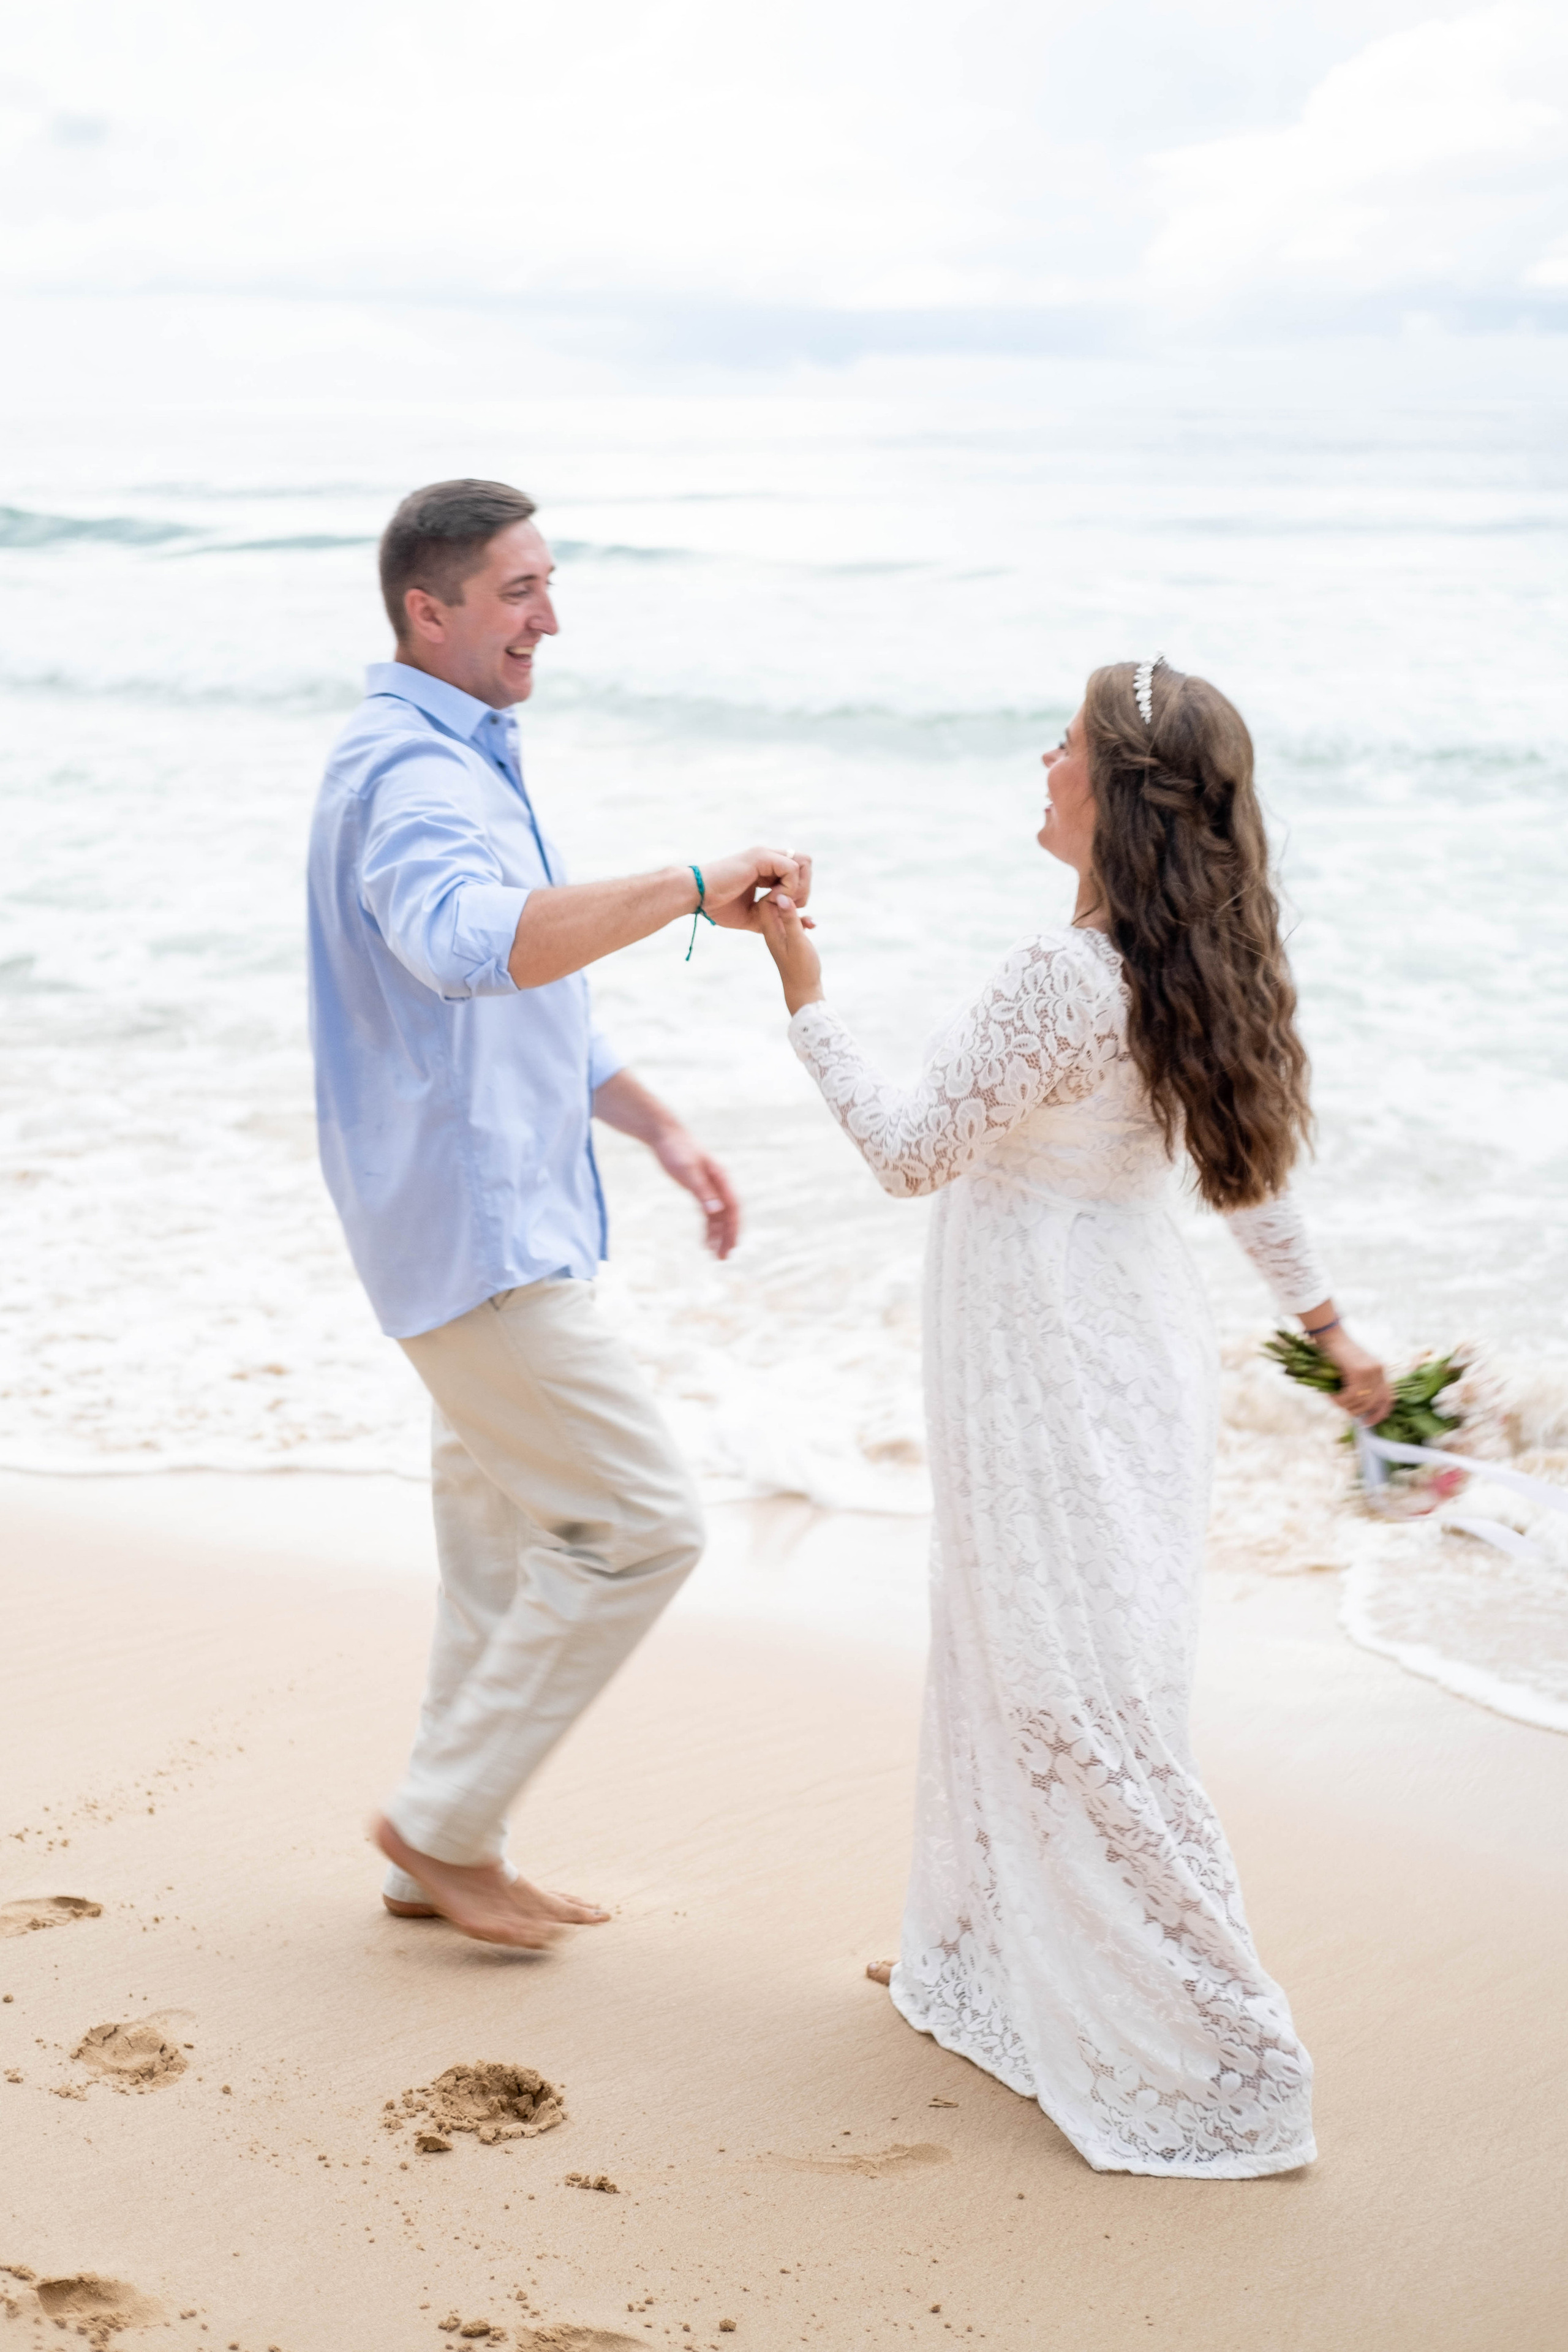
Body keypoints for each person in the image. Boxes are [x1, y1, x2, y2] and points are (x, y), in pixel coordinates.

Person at [755, 657, 1391, 2179]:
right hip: (1125, 1342)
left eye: (1062, 742)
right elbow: (1249, 1181)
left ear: (1108, 794)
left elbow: (910, 1152)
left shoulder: (1064, 980)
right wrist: (1328, 1328)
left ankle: (1229, 2050)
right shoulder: (1188, 966)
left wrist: (802, 992)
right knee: (1044, 1653)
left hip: (1036, 1351)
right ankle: (980, 1959)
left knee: (1063, 1686)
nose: (1038, 757)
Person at [307, 478, 810, 1950]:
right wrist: (690, 882)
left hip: (499, 1208)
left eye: (547, 582)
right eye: (518, 590)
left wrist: (655, 1124)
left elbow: (521, 1007)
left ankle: (439, 1845)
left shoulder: (461, 753)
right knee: (643, 1525)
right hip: (473, 1231)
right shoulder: (410, 772)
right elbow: (469, 950)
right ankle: (445, 1825)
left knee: (506, 1543)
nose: (549, 616)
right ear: (431, 609)